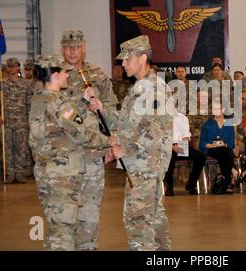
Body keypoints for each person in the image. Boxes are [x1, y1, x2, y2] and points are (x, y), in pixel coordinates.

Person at [29, 55, 117, 251]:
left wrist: (83, 103)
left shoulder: (39, 98)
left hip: (45, 172)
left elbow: (62, 123)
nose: (68, 76)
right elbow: (81, 134)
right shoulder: (60, 102)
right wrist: (109, 141)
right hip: (62, 175)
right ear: (56, 74)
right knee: (64, 233)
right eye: (64, 72)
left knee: (55, 227)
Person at [110, 35, 174, 251]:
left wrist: (124, 147)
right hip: (140, 163)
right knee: (154, 216)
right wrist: (101, 108)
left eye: (127, 59)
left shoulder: (154, 88)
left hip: (146, 164)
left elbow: (154, 131)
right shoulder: (139, 87)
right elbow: (126, 122)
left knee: (138, 219)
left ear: (142, 57)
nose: (123, 64)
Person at [1, 58, 32, 183]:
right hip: (6, 122)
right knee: (8, 149)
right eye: (9, 66)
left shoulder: (25, 84)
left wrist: (30, 120)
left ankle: (19, 173)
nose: (11, 69)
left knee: (21, 149)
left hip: (21, 122)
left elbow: (29, 103)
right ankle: (10, 173)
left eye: (14, 66)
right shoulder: (2, 84)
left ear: (18, 68)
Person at [164, 108, 206, 196]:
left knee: (201, 156)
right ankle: (169, 187)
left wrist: (182, 145)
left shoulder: (183, 118)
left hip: (182, 145)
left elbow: (186, 135)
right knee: (168, 156)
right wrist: (172, 146)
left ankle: (191, 183)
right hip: (168, 146)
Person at [199, 103, 235, 194]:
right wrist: (213, 145)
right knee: (228, 153)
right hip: (211, 149)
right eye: (214, 108)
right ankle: (230, 179)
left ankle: (224, 180)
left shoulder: (229, 124)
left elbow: (232, 143)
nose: (216, 110)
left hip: (225, 149)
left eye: (219, 108)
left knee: (226, 152)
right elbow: (202, 143)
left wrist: (224, 144)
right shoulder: (207, 124)